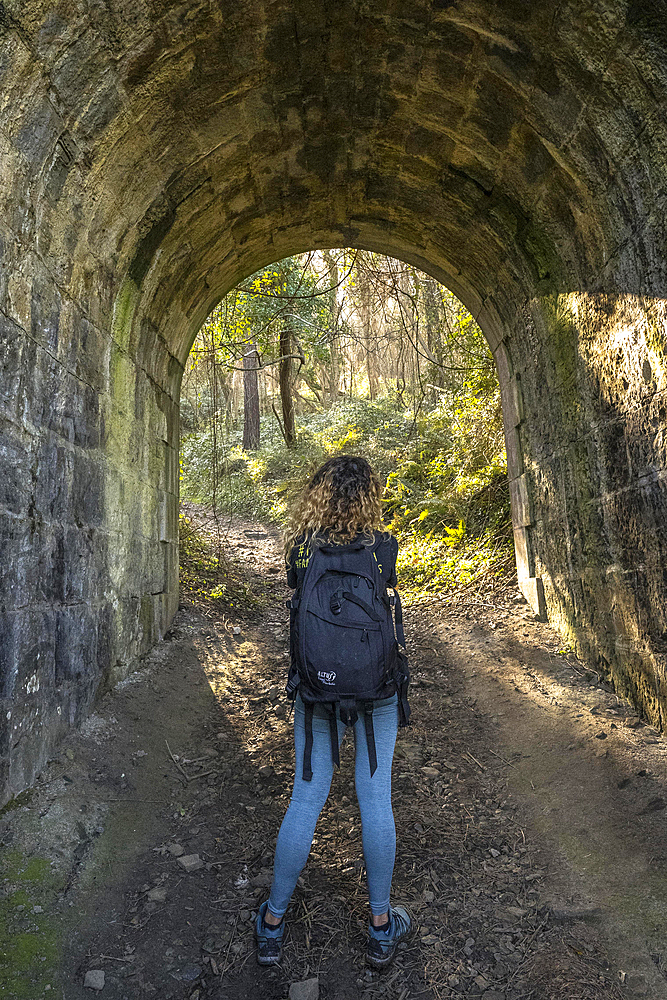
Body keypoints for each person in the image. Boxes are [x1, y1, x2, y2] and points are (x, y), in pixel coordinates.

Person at [255, 454, 413, 969]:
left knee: (305, 800)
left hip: (316, 693)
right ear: (370, 495)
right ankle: (381, 926)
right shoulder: (383, 547)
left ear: (319, 493)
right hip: (376, 692)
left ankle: (273, 923)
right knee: (376, 804)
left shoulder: (301, 550)